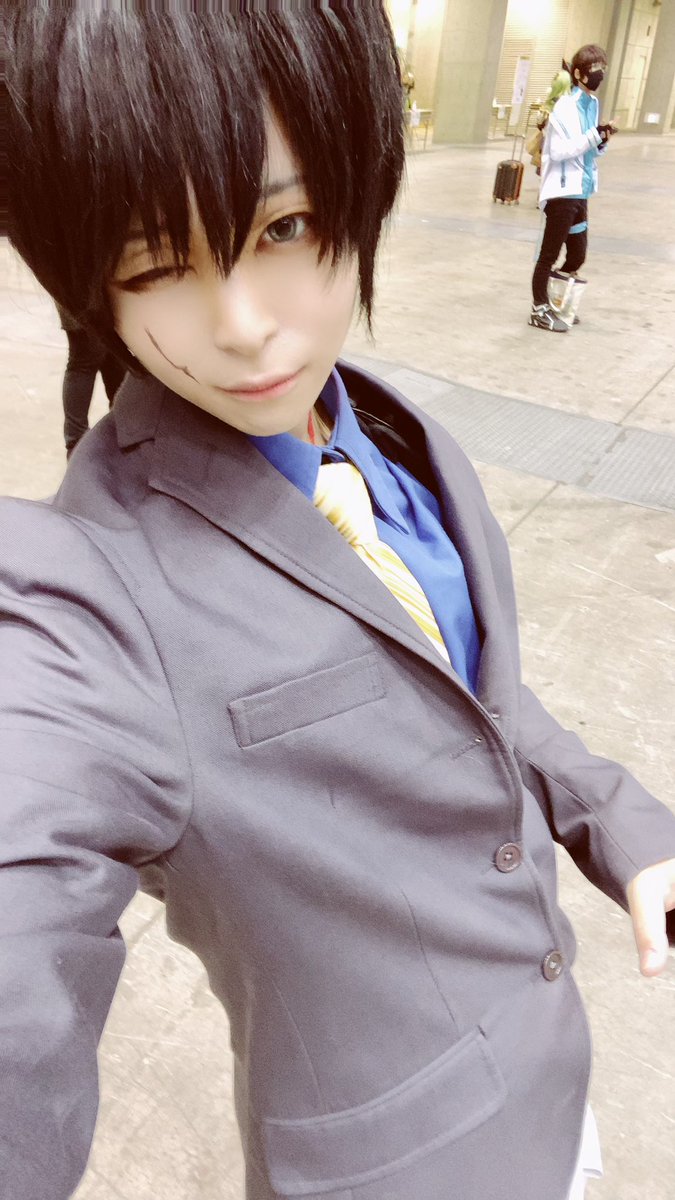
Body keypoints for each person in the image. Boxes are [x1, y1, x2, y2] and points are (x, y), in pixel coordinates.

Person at [3, 9, 674, 1200]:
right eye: (154, 264)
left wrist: (617, 820)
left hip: (560, 1095)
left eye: (287, 225)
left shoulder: (390, 433)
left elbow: (470, 693)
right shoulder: (91, 596)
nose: (244, 327)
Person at [530, 44, 617, 332]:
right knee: (548, 255)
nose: (600, 75)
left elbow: (588, 150)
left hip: (582, 190)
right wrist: (593, 136)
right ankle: (539, 308)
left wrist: (601, 140)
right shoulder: (566, 106)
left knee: (578, 255)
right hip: (562, 192)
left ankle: (556, 299)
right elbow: (558, 151)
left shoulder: (592, 103)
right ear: (579, 74)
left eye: (603, 69)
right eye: (595, 69)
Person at [56, 303, 126, 457]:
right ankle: (75, 443)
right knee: (85, 357)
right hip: (84, 299)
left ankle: (123, 430)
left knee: (113, 354)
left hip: (102, 300)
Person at [526, 65, 572, 176]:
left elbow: (540, 125)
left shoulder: (551, 103)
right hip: (560, 153)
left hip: (548, 150)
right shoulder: (570, 104)